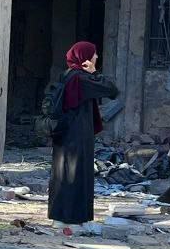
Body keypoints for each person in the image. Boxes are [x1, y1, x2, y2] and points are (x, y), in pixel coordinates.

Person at [49, 41, 119, 228]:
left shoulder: (67, 75)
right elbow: (112, 90)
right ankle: (73, 219)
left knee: (63, 173)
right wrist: (95, 72)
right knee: (76, 175)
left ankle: (60, 217)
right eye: (94, 54)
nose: (96, 57)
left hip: (63, 133)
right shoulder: (82, 78)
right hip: (77, 134)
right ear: (85, 57)